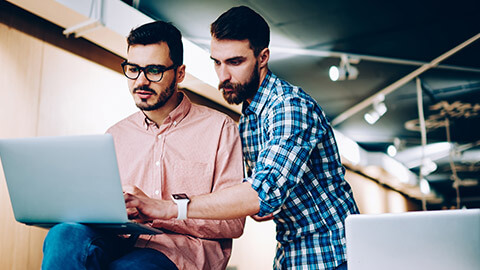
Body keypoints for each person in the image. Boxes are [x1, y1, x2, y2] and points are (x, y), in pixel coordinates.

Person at [125, 6, 359, 270]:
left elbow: (262, 193)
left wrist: (167, 208)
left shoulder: (288, 106)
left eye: (235, 62)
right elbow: (262, 203)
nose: (223, 75)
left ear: (263, 57)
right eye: (217, 62)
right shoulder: (249, 118)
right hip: (292, 255)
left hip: (334, 254)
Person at [41, 21, 245, 270]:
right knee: (63, 235)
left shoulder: (220, 129)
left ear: (179, 73)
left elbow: (234, 222)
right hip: (121, 241)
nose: (141, 81)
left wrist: (161, 211)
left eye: (154, 70)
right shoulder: (115, 135)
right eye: (133, 69)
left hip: (179, 252)